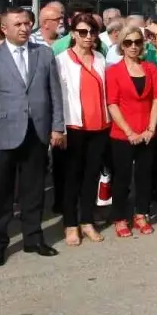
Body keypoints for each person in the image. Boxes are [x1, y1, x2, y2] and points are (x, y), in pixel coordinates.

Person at [0, 6, 65, 267]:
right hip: (2, 133)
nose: (25, 28)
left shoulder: (44, 54)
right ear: (4, 28)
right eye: (18, 24)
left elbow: (54, 94)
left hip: (36, 131)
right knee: (1, 192)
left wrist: (57, 127)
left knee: (34, 190)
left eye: (27, 23)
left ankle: (33, 238)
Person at [54, 13, 110, 246]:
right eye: (83, 32)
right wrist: (58, 128)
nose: (88, 36)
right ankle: (70, 224)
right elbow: (55, 97)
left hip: (100, 126)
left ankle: (87, 221)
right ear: (73, 33)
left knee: (91, 177)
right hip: (73, 126)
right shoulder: (61, 59)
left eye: (92, 32)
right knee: (71, 178)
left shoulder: (100, 59)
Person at [105, 24, 157, 237]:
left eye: (138, 42)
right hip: (122, 134)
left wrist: (150, 129)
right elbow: (112, 104)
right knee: (122, 178)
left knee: (145, 176)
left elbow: (156, 100)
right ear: (121, 45)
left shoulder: (150, 69)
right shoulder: (114, 71)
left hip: (147, 132)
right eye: (128, 42)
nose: (133, 46)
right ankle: (119, 217)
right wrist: (129, 132)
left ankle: (141, 214)